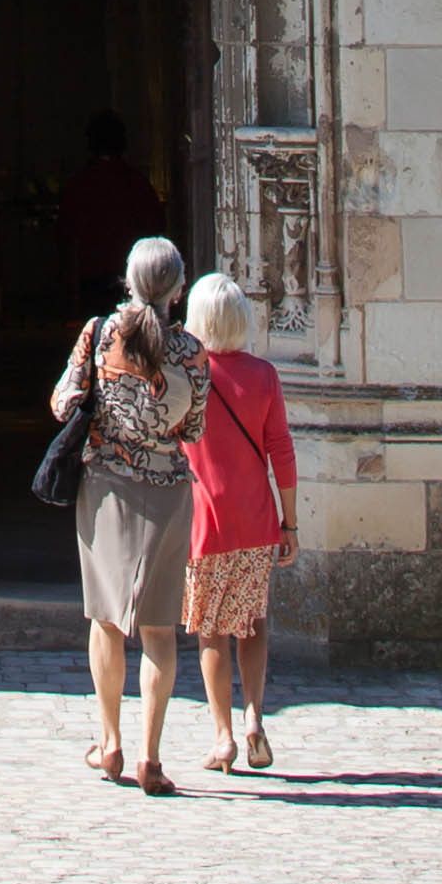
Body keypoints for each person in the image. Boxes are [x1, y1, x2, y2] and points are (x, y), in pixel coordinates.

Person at [52, 239, 202, 789]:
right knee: (160, 630)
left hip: (106, 488)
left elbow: (63, 402)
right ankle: (150, 758)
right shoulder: (191, 351)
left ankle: (110, 743)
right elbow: (195, 428)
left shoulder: (100, 334)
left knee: (106, 620)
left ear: (129, 281)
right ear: (177, 288)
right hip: (167, 490)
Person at [181, 267, 297, 772]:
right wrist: (290, 523)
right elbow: (281, 451)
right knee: (251, 621)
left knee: (211, 629)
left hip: (204, 519)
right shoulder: (264, 376)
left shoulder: (188, 378)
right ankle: (254, 718)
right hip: (255, 517)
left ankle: (223, 735)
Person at [55, 111, 166, 314]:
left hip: (90, 279)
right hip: (133, 277)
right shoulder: (137, 183)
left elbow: (65, 234)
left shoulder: (79, 184)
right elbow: (157, 228)